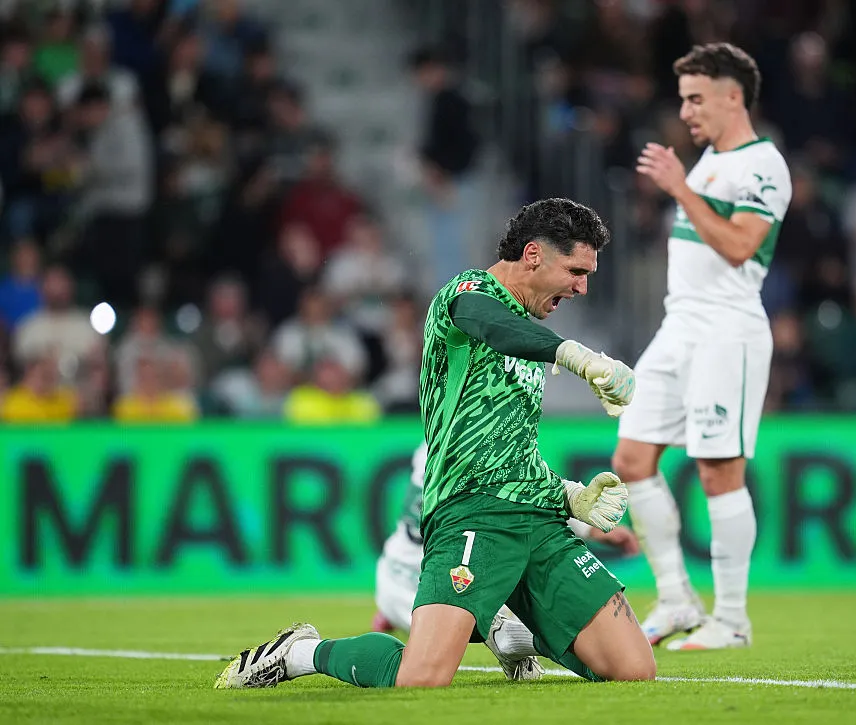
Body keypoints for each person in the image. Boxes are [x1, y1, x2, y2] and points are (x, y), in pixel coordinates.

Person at [215, 197, 653, 690]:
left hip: (539, 520)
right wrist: (575, 354)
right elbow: (492, 325)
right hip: (472, 515)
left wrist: (570, 496)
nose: (582, 287)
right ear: (533, 255)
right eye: (576, 270)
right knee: (422, 677)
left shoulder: (528, 338)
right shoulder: (465, 296)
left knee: (635, 668)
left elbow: (503, 444)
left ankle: (506, 628)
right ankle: (301, 653)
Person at [612, 43, 792, 650]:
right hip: (679, 327)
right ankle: (676, 599)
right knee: (632, 461)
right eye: (683, 98)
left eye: (695, 97)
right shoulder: (711, 162)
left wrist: (680, 189)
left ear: (732, 95)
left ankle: (733, 621)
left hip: (726, 331)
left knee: (719, 474)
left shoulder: (761, 165)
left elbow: (740, 245)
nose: (686, 111)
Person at [371, 441, 641, 636]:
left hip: (393, 575)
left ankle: (391, 611)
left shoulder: (432, 446)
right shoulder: (475, 448)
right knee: (505, 628)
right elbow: (519, 499)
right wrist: (588, 529)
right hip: (436, 584)